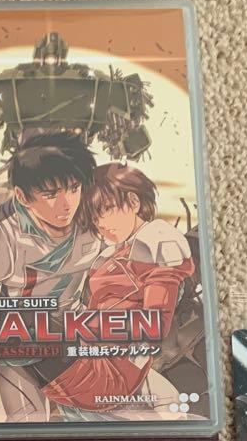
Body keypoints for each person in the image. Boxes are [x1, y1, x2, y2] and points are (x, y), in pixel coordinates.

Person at [0, 131, 101, 423]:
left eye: (73, 188)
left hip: (72, 345)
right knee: (20, 425)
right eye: (51, 194)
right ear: (23, 196)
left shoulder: (95, 223)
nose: (66, 204)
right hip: (11, 355)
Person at [43, 163, 194, 417]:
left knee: (20, 330)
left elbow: (153, 324)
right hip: (89, 354)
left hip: (114, 370)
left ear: (133, 202)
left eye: (107, 210)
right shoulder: (108, 255)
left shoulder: (157, 241)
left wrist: (81, 327)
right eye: (94, 217)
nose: (101, 224)